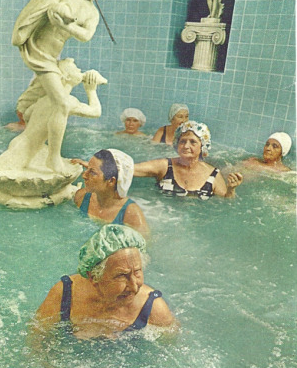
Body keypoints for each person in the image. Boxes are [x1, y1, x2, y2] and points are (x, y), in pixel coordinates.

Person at [12, 0, 118, 174]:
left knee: (45, 103)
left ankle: (37, 140)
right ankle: (53, 159)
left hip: (53, 59)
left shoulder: (91, 11)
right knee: (60, 103)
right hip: (39, 53)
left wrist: (69, 25)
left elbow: (86, 35)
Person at [34, 224, 176, 339]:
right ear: (93, 277)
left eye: (137, 271)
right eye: (121, 275)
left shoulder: (153, 309)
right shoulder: (64, 295)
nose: (134, 286)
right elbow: (37, 336)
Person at [0, 58, 106, 173]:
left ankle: (51, 156)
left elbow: (27, 115)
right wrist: (91, 90)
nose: (80, 70)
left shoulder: (44, 99)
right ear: (67, 77)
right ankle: (53, 158)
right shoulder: (67, 101)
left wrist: (38, 135)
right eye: (76, 68)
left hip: (20, 143)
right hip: (25, 151)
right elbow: (96, 112)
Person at [135, 120, 243, 199]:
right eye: (182, 141)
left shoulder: (213, 175)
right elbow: (132, 169)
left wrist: (231, 189)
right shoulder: (165, 166)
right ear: (177, 144)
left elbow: (226, 203)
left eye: (192, 142)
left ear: (202, 146)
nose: (186, 146)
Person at [72, 149, 149, 236]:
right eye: (87, 169)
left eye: (92, 172)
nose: (84, 175)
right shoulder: (81, 197)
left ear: (111, 181)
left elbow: (142, 247)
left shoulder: (131, 215)